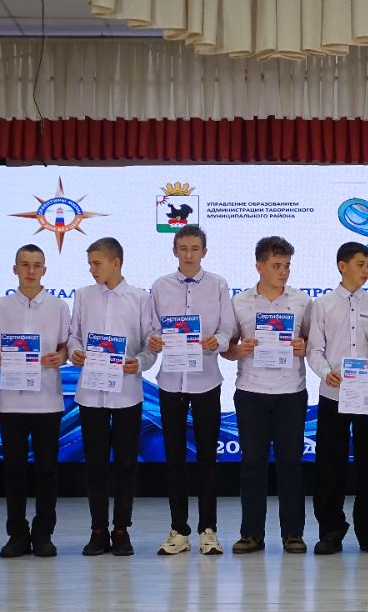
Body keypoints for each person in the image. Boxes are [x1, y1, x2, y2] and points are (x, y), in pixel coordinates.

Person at [148, 225, 235, 557]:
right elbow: (152, 329)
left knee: (208, 459)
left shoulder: (218, 285)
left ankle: (208, 530)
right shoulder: (160, 286)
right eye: (183, 248)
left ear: (204, 252)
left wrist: (219, 341)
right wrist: (154, 340)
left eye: (194, 248)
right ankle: (179, 530)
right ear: (174, 251)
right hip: (170, 381)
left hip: (206, 380)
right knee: (174, 459)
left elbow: (227, 328)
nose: (188, 254)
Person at [223, 236, 311, 554]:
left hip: (291, 392)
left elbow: (314, 343)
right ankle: (251, 534)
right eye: (276, 265)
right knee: (252, 464)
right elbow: (227, 349)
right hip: (251, 392)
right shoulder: (239, 302)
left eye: (287, 265)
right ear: (259, 266)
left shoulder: (302, 301)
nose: (283, 272)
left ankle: (293, 534)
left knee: (291, 464)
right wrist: (239, 349)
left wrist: (303, 346)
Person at [68, 237, 156, 558]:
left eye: (97, 263)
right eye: (90, 263)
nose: (92, 270)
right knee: (94, 464)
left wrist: (140, 362)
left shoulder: (140, 298)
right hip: (91, 393)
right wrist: (75, 352)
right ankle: (97, 529)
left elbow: (151, 343)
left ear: (115, 262)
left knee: (125, 464)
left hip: (126, 393)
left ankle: (121, 529)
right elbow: (73, 336)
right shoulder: (83, 296)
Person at [0, 244, 71, 558]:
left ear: (44, 270)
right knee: (14, 471)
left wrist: (60, 357)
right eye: (25, 264)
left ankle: (44, 533)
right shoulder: (1, 306)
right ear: (15, 269)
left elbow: (65, 347)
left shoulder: (59, 306)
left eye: (36, 265)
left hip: (47, 401)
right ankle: (17, 534)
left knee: (47, 471)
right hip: (12, 401)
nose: (31, 271)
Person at [306, 242, 368, 555]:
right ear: (342, 266)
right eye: (359, 264)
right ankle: (330, 530)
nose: (365, 270)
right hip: (334, 393)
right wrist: (325, 372)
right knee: (330, 464)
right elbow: (315, 349)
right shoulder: (322, 305)